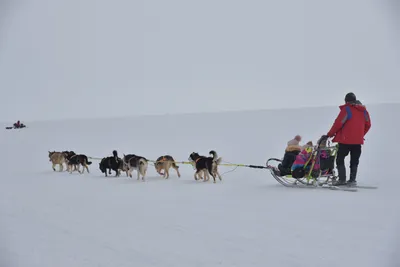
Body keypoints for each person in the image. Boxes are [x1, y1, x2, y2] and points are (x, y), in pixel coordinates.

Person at [325, 92, 371, 186]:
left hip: (345, 141)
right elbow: (368, 124)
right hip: (357, 142)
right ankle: (352, 180)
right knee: (354, 161)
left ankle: (342, 180)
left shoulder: (347, 109)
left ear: (346, 101)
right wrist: (360, 135)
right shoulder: (364, 111)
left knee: (340, 159)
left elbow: (338, 123)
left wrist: (329, 134)